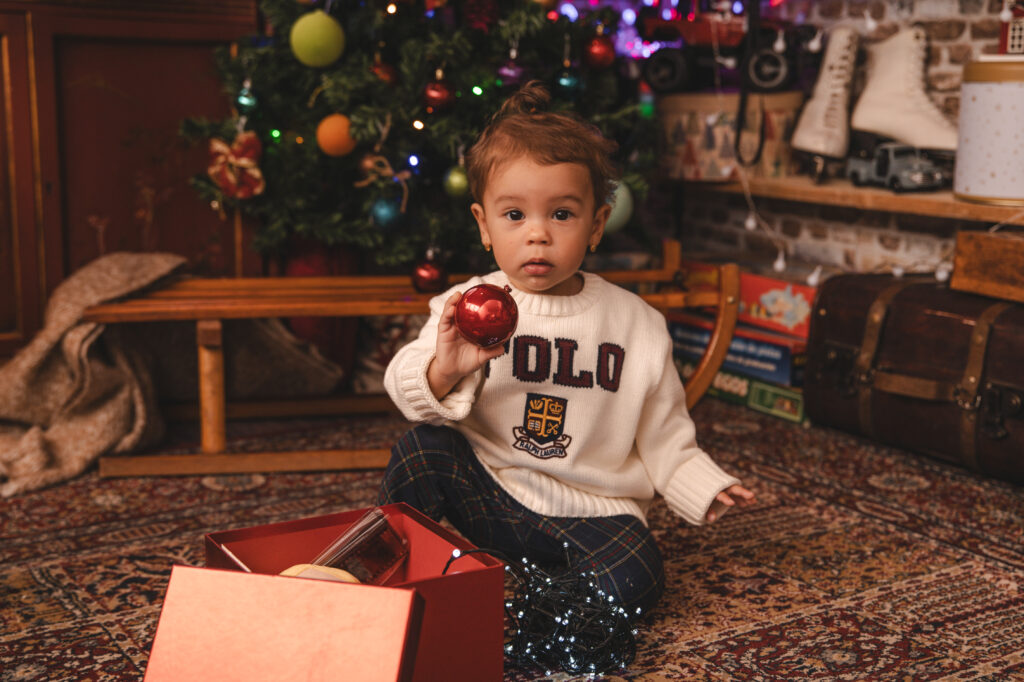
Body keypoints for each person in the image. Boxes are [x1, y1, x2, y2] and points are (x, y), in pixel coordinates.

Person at [377, 81, 754, 615]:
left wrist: (704, 485)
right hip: (491, 493)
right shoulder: (465, 307)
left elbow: (665, 435)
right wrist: (442, 370)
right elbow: (402, 384)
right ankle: (381, 577)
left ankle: (529, 614)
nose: (538, 235)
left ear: (596, 225)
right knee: (422, 451)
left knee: (637, 581)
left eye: (561, 214)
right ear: (483, 226)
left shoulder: (638, 325)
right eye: (514, 216)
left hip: (592, 518)